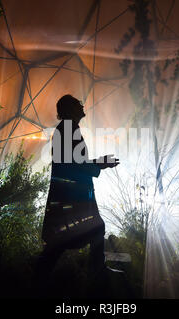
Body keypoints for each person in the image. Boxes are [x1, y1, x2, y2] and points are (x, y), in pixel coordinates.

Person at [35, 94, 119, 293]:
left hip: (71, 194)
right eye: (77, 104)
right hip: (72, 196)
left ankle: (38, 280)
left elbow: (75, 162)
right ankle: (96, 275)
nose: (82, 107)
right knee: (84, 232)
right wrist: (100, 164)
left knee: (67, 237)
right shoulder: (68, 130)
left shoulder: (67, 130)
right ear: (69, 109)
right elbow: (76, 164)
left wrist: (97, 163)